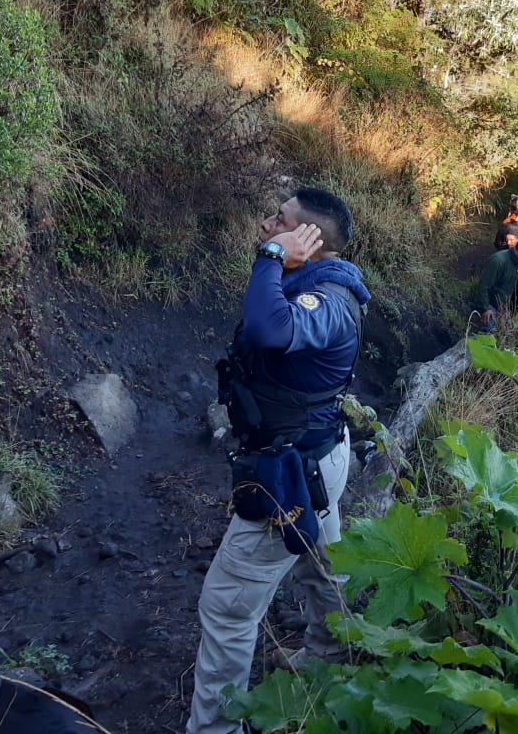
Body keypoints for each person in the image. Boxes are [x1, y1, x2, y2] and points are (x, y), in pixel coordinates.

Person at [187, 188, 371, 734]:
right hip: (314, 459)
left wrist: (270, 256)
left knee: (227, 609)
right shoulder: (310, 280)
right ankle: (330, 660)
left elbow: (272, 329)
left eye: (282, 221)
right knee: (322, 567)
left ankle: (215, 729)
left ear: (310, 240)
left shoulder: (330, 303)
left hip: (289, 475)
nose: (268, 225)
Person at [474, 235, 518, 332]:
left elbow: (512, 286)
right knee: (489, 333)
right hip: (488, 305)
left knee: (507, 333)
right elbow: (483, 287)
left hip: (502, 307)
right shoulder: (498, 261)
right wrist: (486, 308)